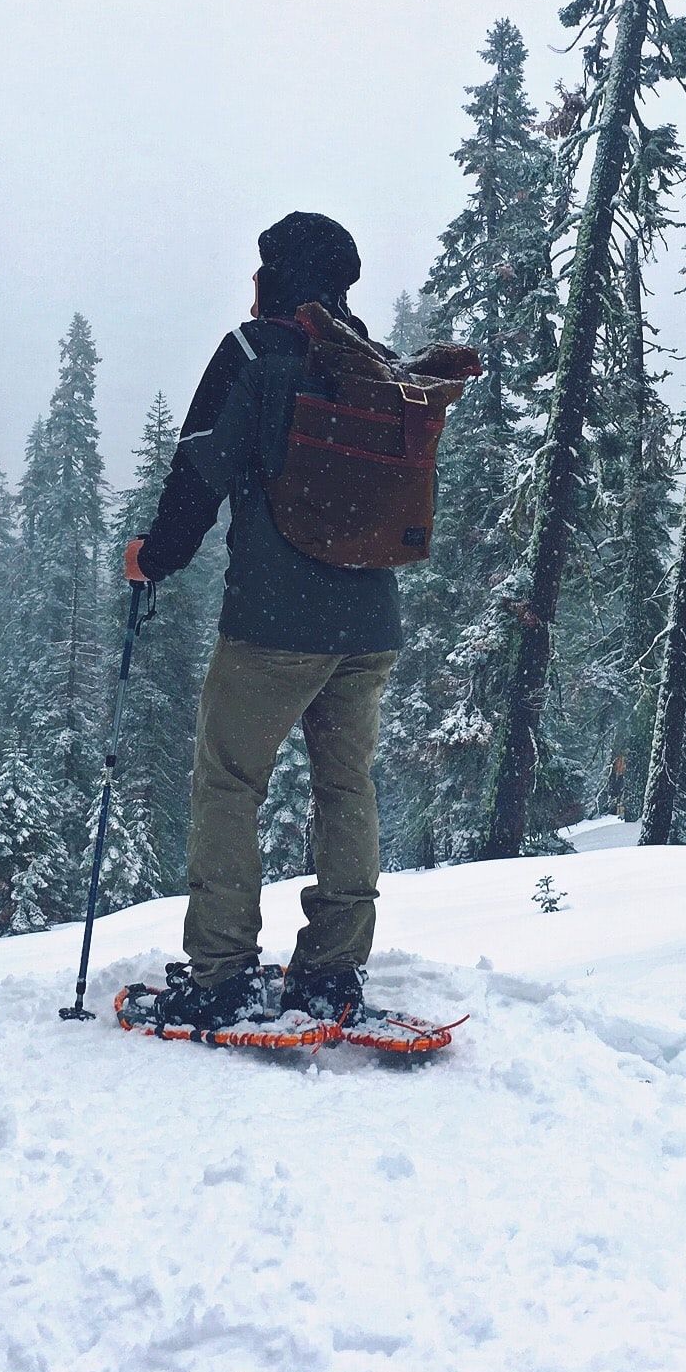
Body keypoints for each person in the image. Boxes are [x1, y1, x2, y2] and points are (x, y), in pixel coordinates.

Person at [124, 211, 437, 1033]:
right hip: (370, 625)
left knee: (229, 784)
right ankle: (333, 972)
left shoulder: (254, 354)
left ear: (271, 279)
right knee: (346, 786)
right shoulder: (374, 368)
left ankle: (221, 972)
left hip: (272, 624)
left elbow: (199, 476)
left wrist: (152, 559)